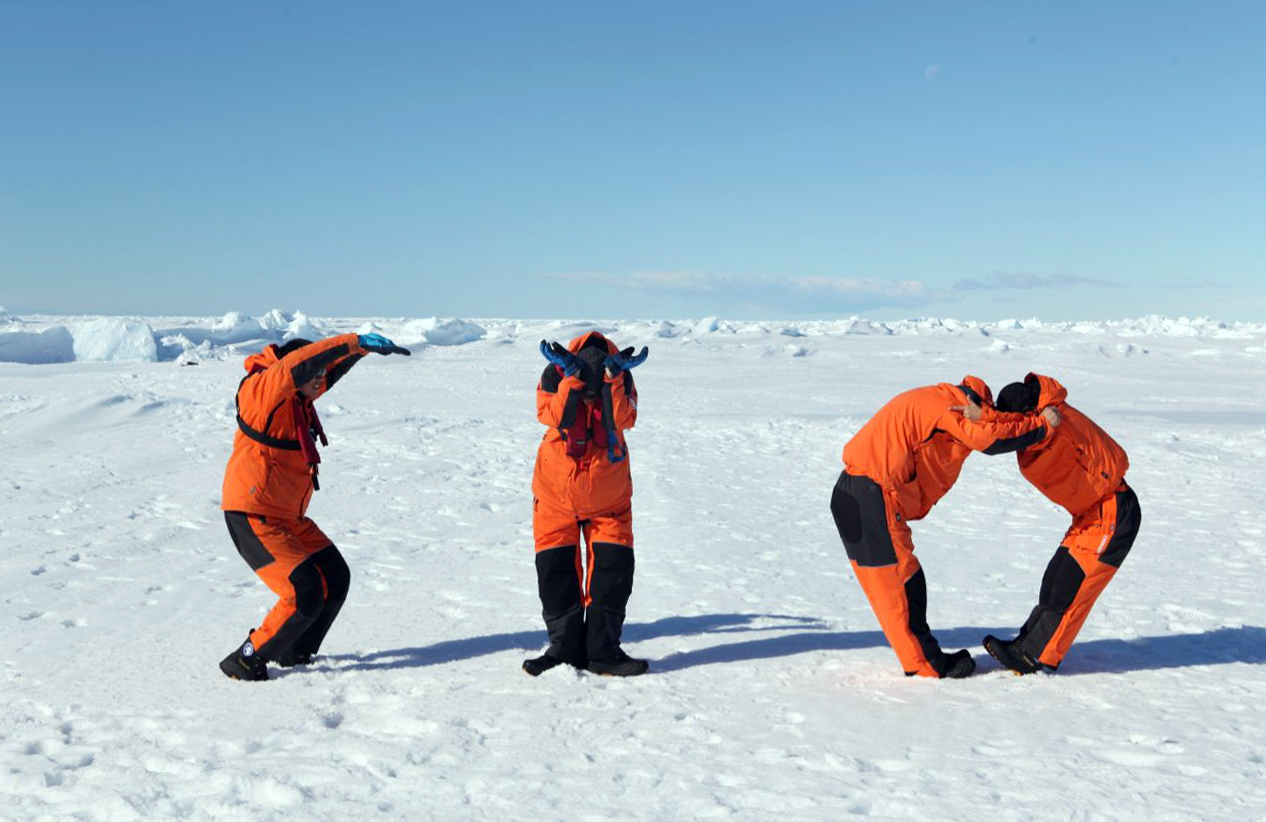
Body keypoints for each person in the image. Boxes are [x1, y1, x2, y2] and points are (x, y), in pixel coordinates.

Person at [831, 377, 1058, 678]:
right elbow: (988, 439)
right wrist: (1042, 426)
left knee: (892, 589)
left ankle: (920, 661)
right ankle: (928, 665)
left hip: (851, 493)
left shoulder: (936, 399)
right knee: (903, 585)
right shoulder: (950, 407)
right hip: (870, 496)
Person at [218, 332, 410, 681]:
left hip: (288, 516)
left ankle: (293, 651)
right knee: (303, 592)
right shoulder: (264, 390)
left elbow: (325, 371)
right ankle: (246, 658)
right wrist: (355, 341)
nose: (320, 381)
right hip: (254, 514)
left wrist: (360, 352)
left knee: (334, 578)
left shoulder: (297, 395)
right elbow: (303, 365)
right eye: (313, 373)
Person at [984, 373, 1140, 674]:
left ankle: (1036, 656)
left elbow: (1013, 438)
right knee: (1055, 581)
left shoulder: (1053, 422)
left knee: (1072, 588)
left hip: (1113, 511)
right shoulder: (1045, 417)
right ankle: (1025, 644)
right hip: (1089, 514)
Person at [524, 331, 649, 677]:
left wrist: (613, 380)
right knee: (555, 576)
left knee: (612, 575)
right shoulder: (555, 374)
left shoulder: (622, 378)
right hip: (555, 496)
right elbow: (551, 415)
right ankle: (563, 650)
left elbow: (624, 419)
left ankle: (603, 652)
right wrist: (572, 380)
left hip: (609, 500)